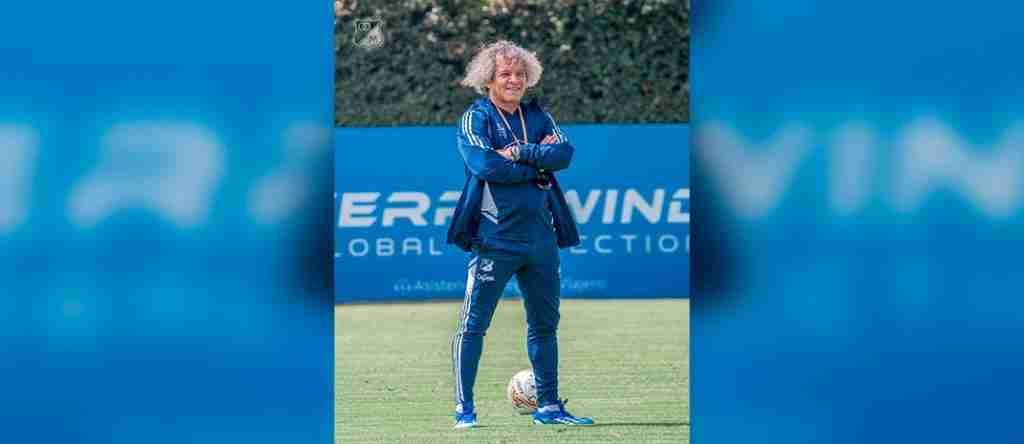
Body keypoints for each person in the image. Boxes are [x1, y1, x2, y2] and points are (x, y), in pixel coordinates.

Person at [446, 40, 594, 428]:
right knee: (473, 326)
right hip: (494, 240)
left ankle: (549, 407)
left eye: (520, 74)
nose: (514, 80)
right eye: (505, 74)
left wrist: (519, 152)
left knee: (545, 326)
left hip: (541, 240)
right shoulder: (476, 118)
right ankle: (465, 410)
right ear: (488, 79)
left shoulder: (539, 116)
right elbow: (485, 165)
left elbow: (564, 154)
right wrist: (537, 163)